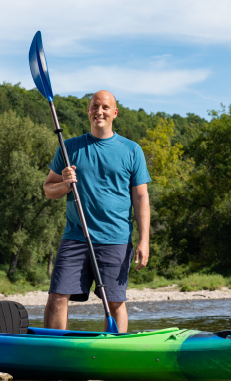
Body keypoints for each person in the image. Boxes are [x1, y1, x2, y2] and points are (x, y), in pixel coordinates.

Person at [42, 90, 150, 333]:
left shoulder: (131, 150)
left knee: (114, 302)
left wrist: (144, 240)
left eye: (104, 107)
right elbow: (49, 189)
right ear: (88, 111)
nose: (99, 111)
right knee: (58, 296)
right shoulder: (69, 147)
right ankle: (54, 350)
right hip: (76, 236)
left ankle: (114, 354)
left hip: (115, 238)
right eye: (94, 106)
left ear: (114, 113)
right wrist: (65, 185)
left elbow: (141, 196)